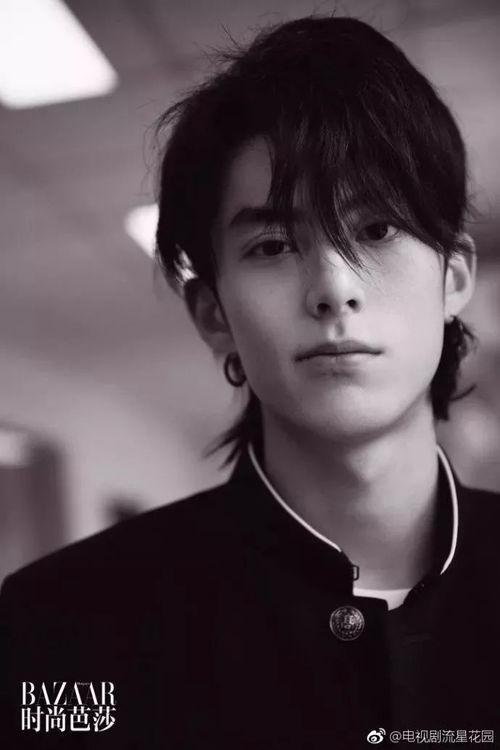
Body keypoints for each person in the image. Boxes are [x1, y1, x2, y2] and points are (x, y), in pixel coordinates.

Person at [1, 14, 499, 750]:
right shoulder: (60, 625)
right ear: (213, 313)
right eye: (273, 245)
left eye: (376, 231)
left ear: (453, 278)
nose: (334, 289)